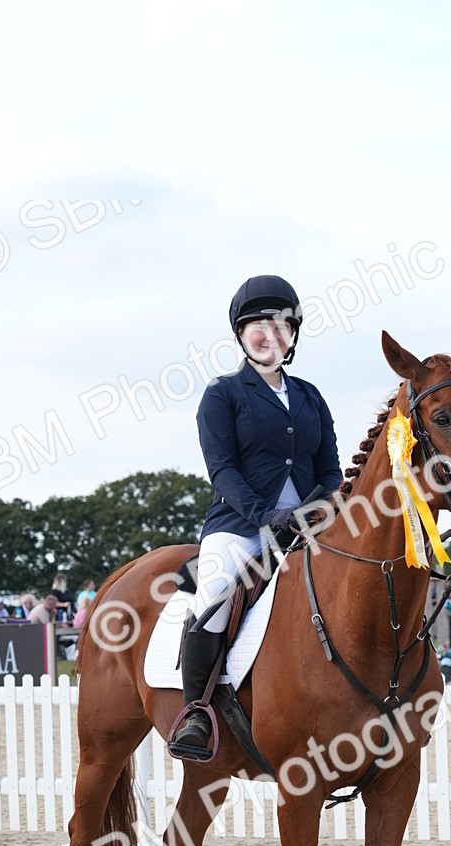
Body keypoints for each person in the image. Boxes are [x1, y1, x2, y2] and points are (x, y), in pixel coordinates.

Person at [168, 274, 342, 759]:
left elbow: (329, 469)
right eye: (259, 325)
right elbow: (221, 470)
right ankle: (196, 712)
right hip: (241, 526)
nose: (271, 333)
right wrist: (268, 516)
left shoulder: (310, 397)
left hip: (309, 529)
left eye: (282, 325)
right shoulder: (223, 395)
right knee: (217, 593)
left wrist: (326, 506)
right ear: (242, 335)